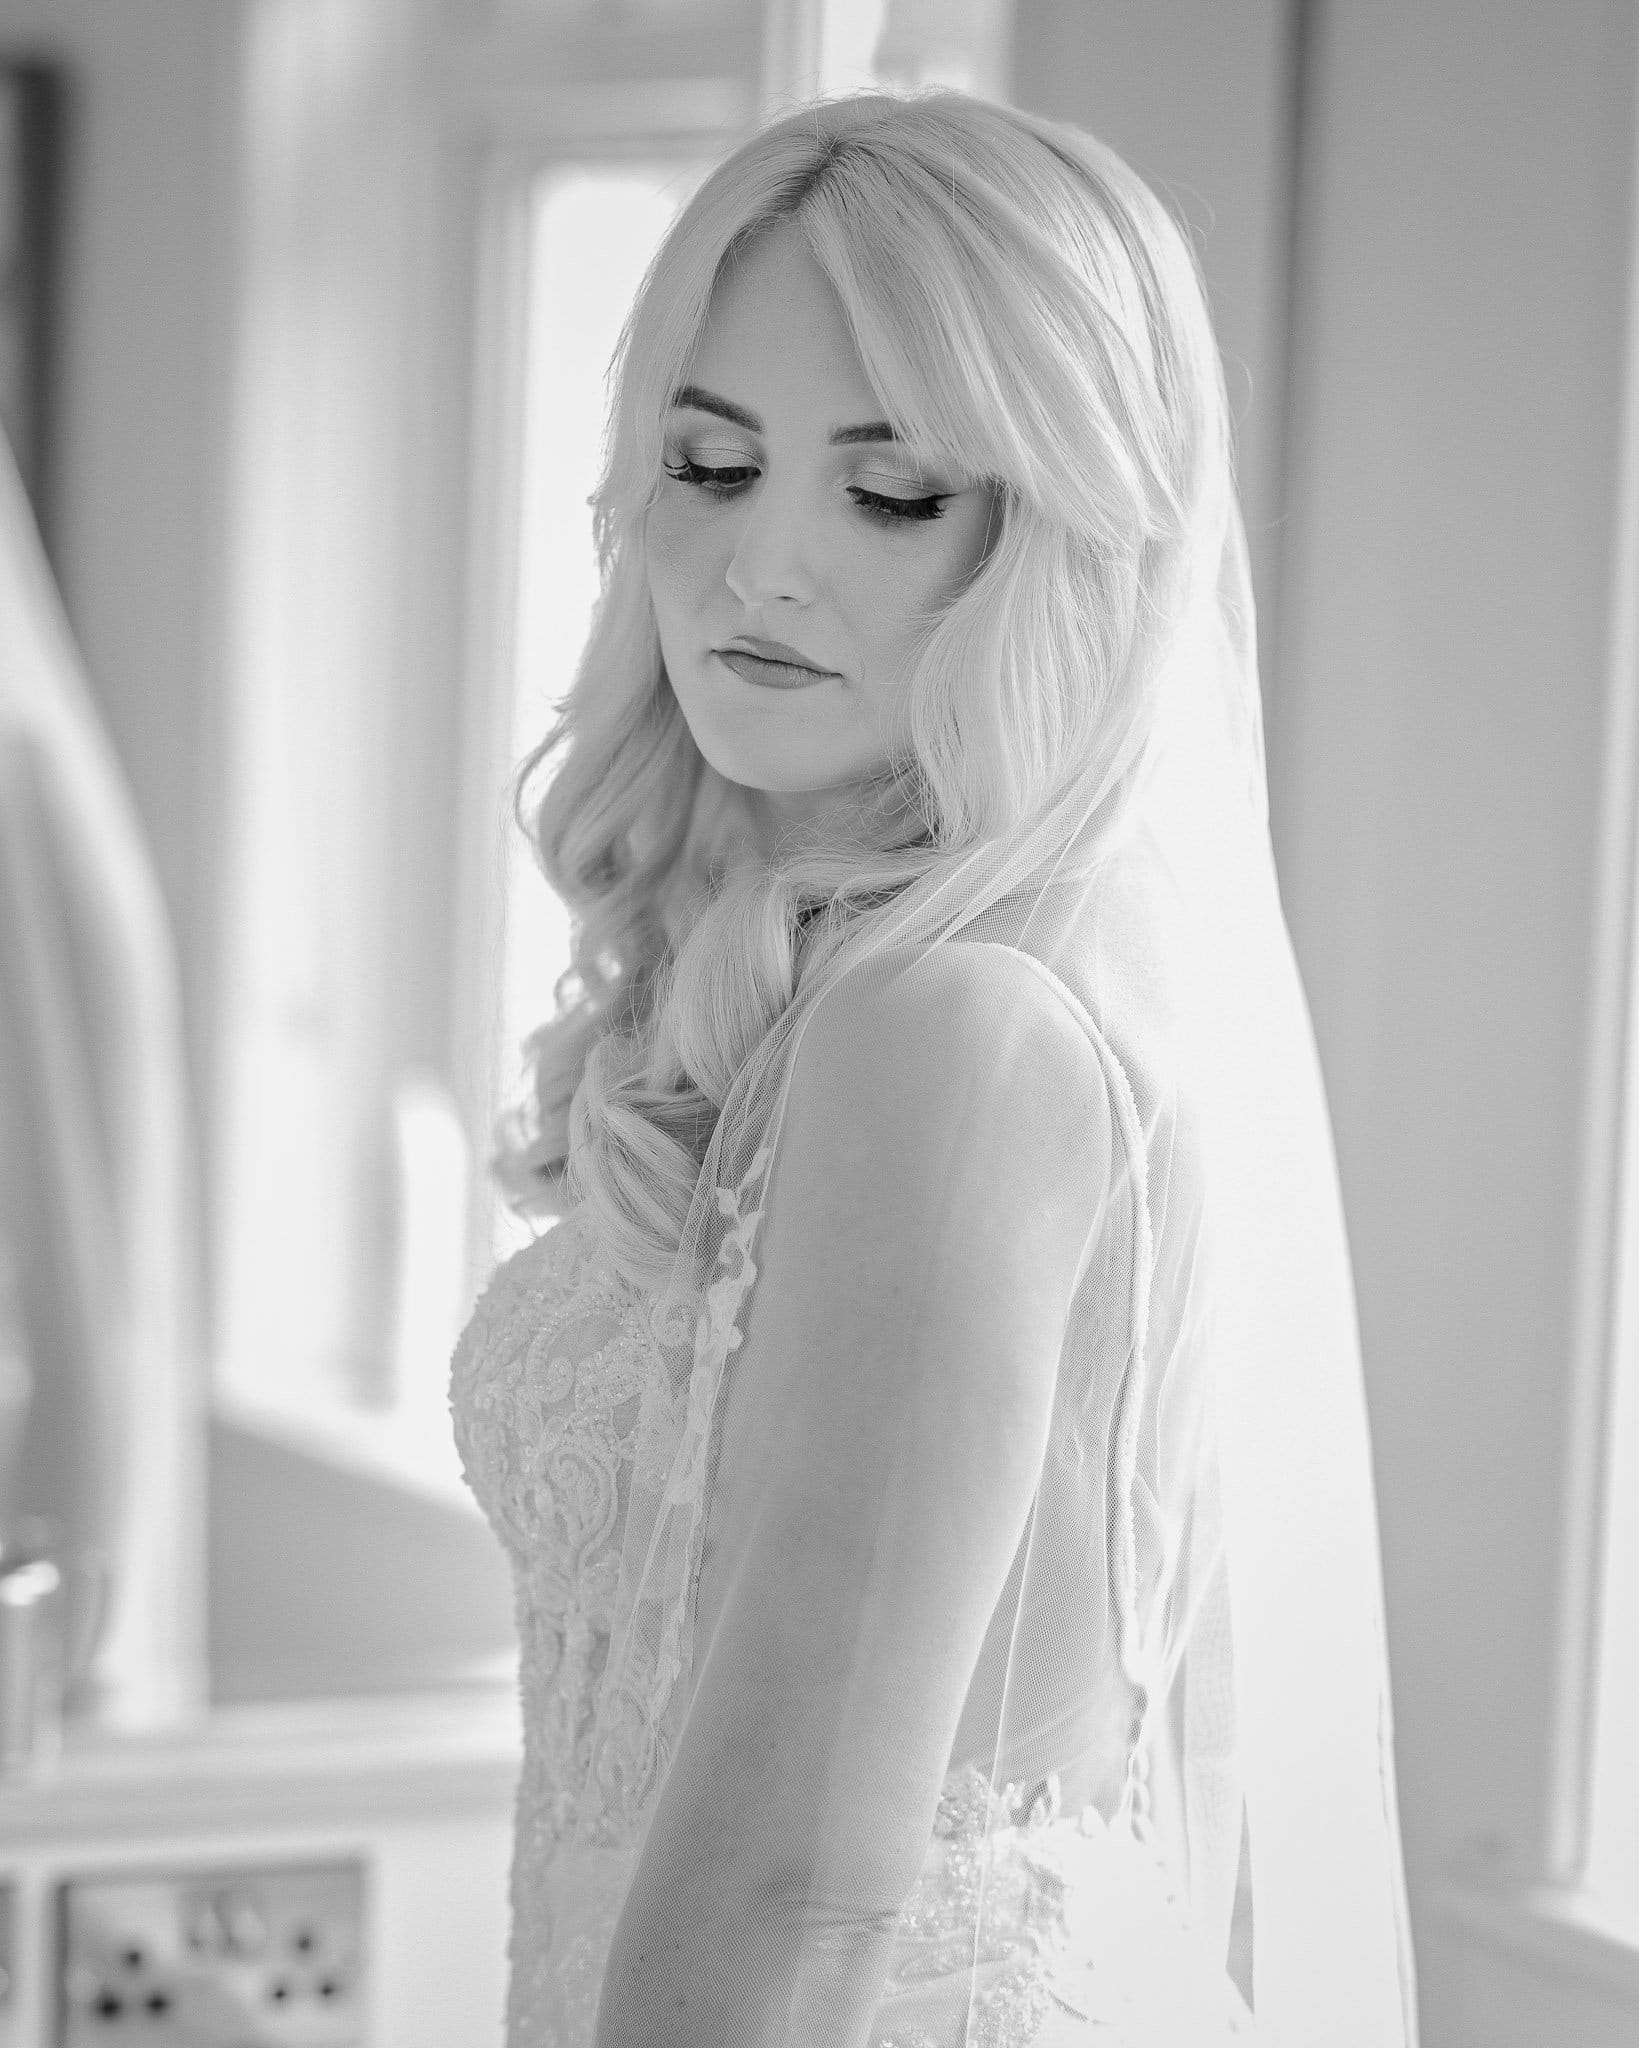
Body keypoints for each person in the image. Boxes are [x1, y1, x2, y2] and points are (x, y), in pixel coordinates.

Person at [450, 89, 1419, 2048]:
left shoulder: (952, 1033)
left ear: (1060, 530)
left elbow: (796, 1892)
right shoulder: (909, 979)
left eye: (887, 493)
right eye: (708, 466)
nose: (756, 566)